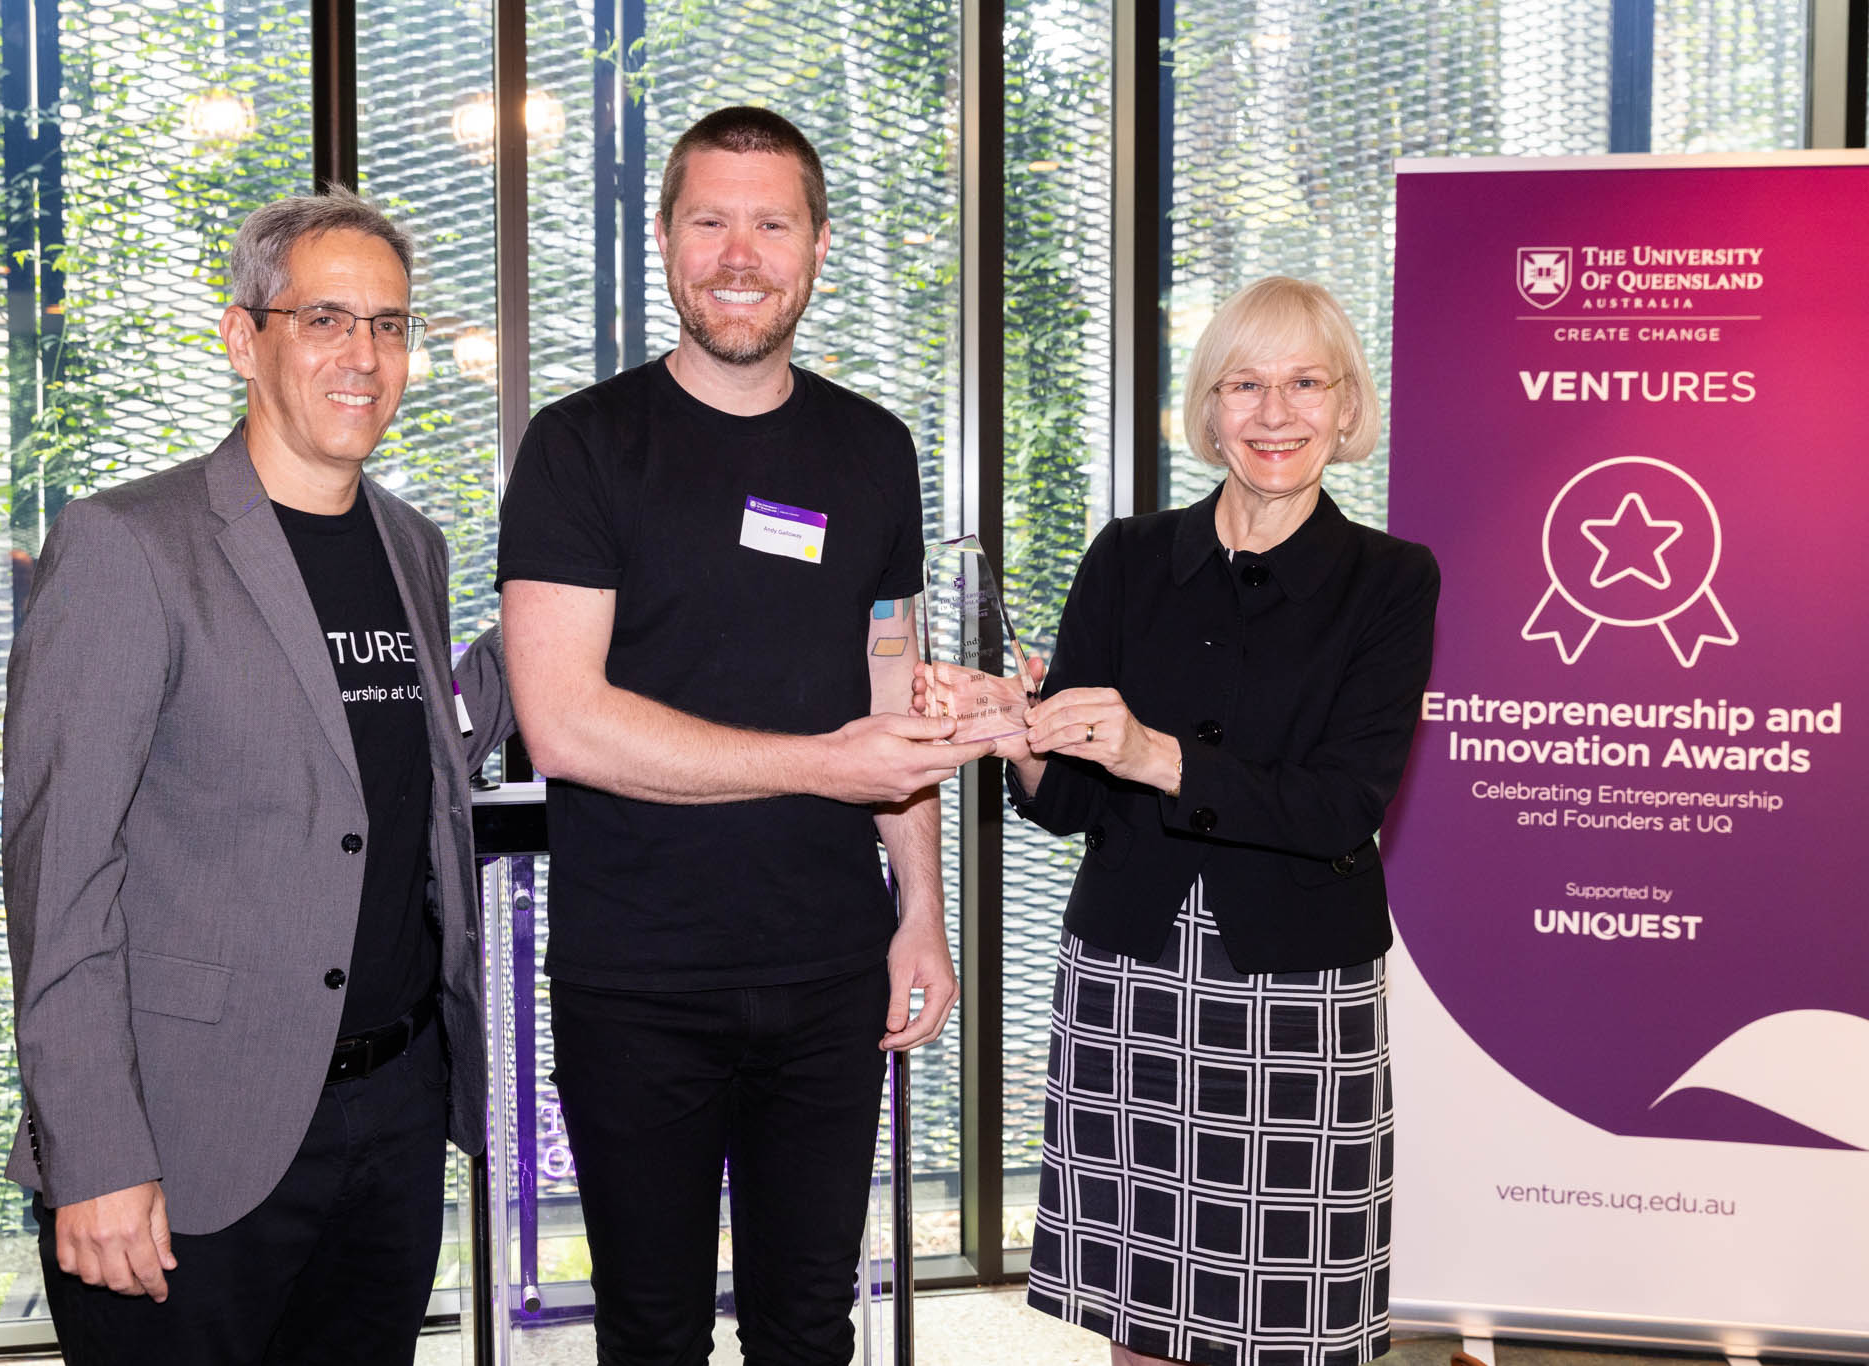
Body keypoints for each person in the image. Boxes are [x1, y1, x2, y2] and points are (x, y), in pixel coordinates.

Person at [496, 105, 986, 1365]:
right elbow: (562, 722)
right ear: (664, 239)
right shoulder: (580, 447)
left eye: (770, 223)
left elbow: (893, 689)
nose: (738, 252)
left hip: (829, 971)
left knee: (809, 1324)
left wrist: (917, 905)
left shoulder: (872, 450)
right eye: (709, 219)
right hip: (638, 981)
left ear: (817, 246)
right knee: (652, 1331)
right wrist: (820, 765)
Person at [1, 187, 514, 1366]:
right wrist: (96, 1153)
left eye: (389, 325)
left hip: (388, 1119)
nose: (365, 355)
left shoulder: (409, 545)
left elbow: (407, 753)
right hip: (186, 1135)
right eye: (326, 318)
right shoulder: (130, 546)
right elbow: (59, 877)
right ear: (245, 337)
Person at [929, 276, 1437, 1366]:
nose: (1273, 412)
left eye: (1306, 383)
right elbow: (1066, 804)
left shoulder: (1390, 581)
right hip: (1130, 983)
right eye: (1244, 384)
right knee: (1145, 1324)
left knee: (1289, 1323)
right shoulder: (1125, 556)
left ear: (1346, 408)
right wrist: (1020, 734)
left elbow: (1340, 806)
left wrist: (1148, 752)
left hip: (1298, 995)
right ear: (1207, 410)